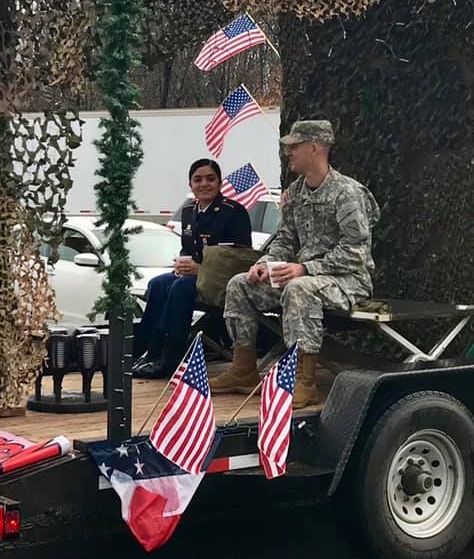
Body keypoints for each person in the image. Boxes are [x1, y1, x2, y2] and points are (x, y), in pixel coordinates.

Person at [209, 120, 379, 409]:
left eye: (294, 146)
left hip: (348, 280)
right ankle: (243, 370)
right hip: (308, 278)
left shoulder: (347, 193)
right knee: (240, 284)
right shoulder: (294, 194)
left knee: (299, 288)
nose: (288, 151)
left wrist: (306, 268)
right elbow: (285, 239)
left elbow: (357, 252)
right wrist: (265, 264)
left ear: (315, 148)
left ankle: (305, 382)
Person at [133, 158, 252, 379]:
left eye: (210, 179)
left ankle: (171, 358)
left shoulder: (233, 212)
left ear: (219, 183)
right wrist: (181, 264)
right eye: (197, 180)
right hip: (194, 277)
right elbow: (187, 249)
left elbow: (239, 260)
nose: (204, 184)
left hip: (222, 282)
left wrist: (200, 269)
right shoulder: (189, 211)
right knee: (157, 284)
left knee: (181, 288)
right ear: (190, 185)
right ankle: (146, 351)